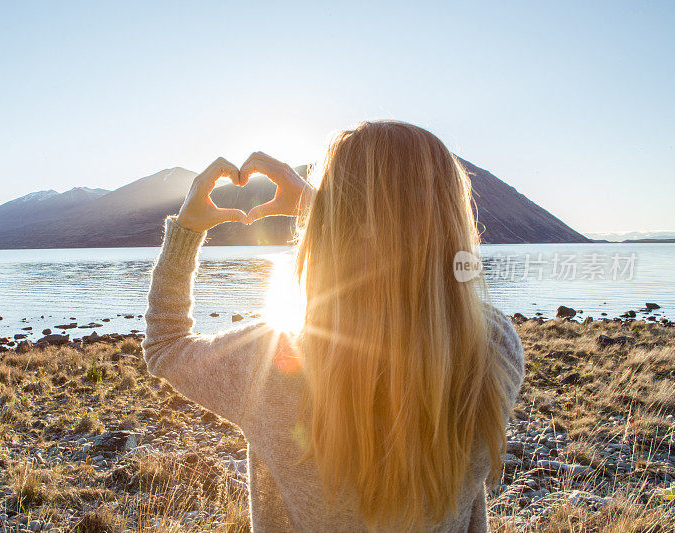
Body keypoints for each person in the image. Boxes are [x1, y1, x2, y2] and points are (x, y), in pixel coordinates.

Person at [143, 121, 524, 532]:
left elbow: (166, 346)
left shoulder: (270, 366)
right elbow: (408, 268)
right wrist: (322, 206)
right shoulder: (494, 347)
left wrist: (186, 231)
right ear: (452, 216)